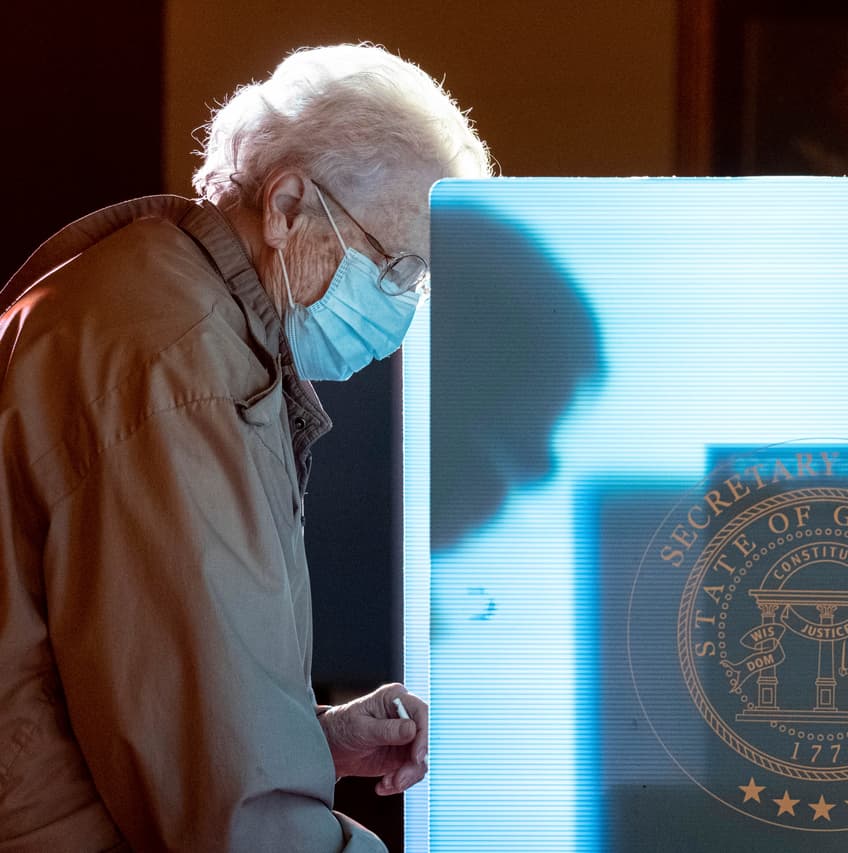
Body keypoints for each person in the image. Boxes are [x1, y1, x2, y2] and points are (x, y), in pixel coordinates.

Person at [0, 44, 490, 851]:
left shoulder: (168, 303)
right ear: (288, 205)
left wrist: (310, 738)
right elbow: (235, 826)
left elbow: (144, 691)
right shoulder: (180, 366)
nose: (402, 307)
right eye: (396, 267)